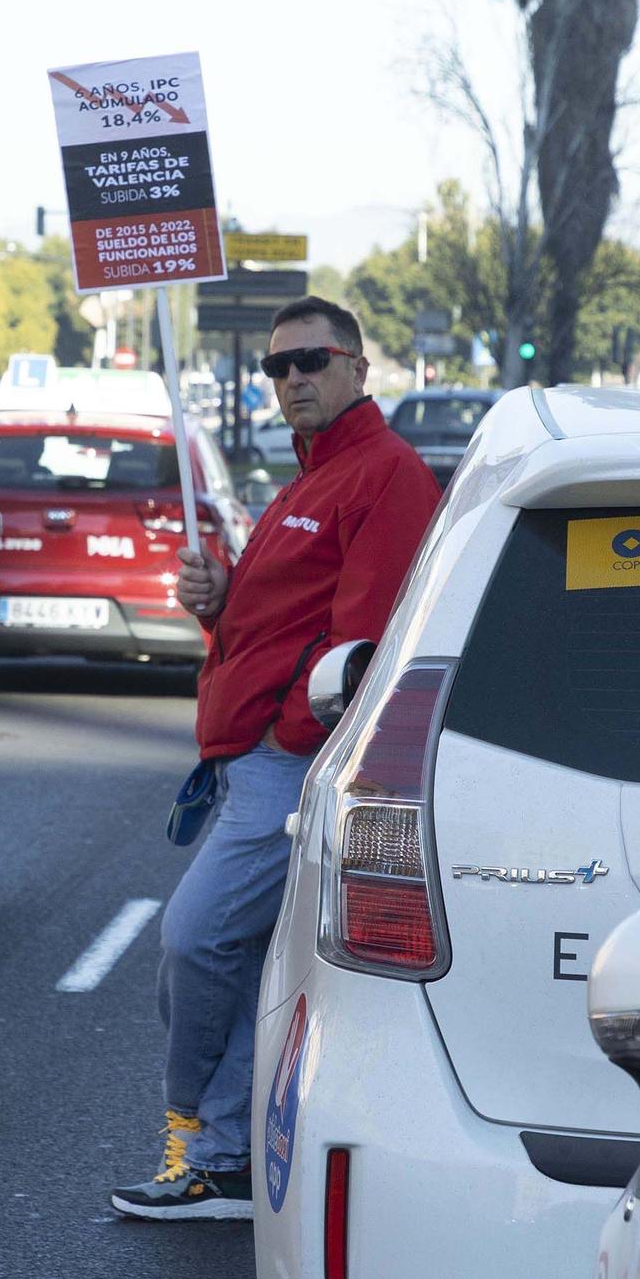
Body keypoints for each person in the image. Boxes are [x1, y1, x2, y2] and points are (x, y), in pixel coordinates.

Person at [110, 297, 440, 1220]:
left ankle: (208, 1148)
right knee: (250, 961)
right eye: (276, 368)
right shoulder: (309, 477)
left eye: (312, 361)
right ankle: (225, 1160)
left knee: (194, 936)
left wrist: (284, 733)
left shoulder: (385, 474)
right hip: (251, 754)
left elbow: (361, 646)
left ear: (358, 366)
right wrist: (217, 601)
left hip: (290, 764)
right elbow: (278, 629)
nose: (293, 379)